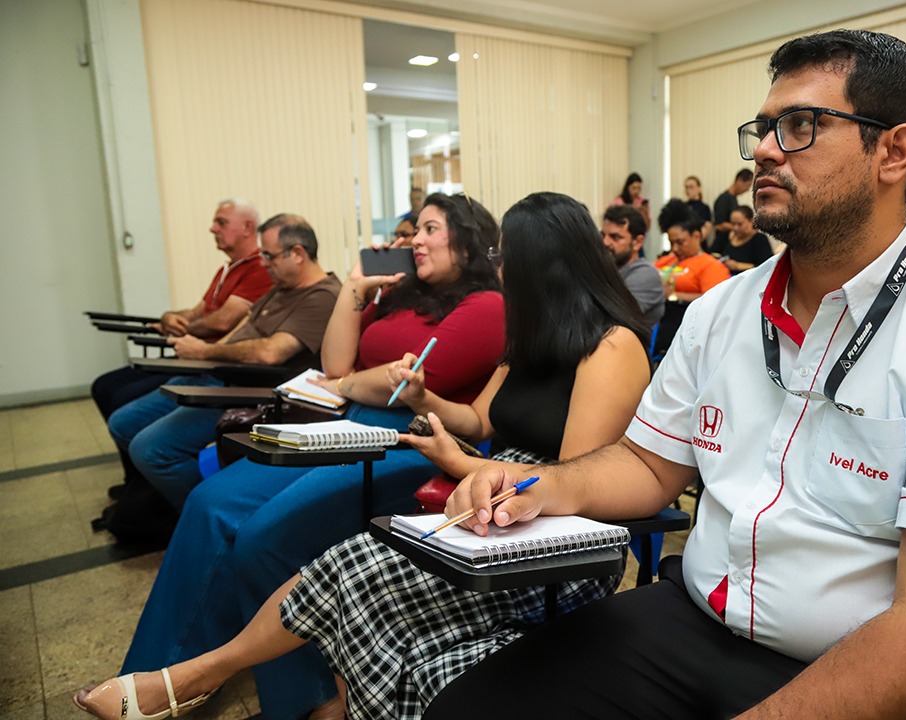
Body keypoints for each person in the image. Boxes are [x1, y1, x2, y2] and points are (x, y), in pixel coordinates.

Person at [422, 29, 906, 720]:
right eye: (763, 129)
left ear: (894, 151)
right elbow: (647, 464)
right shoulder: (721, 311)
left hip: (892, 673)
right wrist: (541, 486)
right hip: (699, 624)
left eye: (800, 126)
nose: (764, 149)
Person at [74, 191, 652, 720]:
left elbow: (571, 485)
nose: (500, 269)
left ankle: (195, 676)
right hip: (494, 500)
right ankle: (213, 679)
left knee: (351, 567)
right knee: (352, 564)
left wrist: (459, 463)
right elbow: (479, 420)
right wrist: (426, 402)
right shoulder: (530, 341)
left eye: (508, 257)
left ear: (542, 262)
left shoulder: (611, 346)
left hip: (551, 536)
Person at [106, 214, 342, 511]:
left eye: (268, 256)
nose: (263, 263)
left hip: (249, 395)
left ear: (297, 254)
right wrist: (205, 350)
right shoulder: (281, 288)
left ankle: (202, 513)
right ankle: (159, 505)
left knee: (150, 450)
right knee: (123, 423)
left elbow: (270, 353)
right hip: (221, 376)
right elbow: (237, 333)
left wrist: (205, 352)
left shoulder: (323, 296)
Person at [90, 199, 272, 420]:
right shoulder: (226, 269)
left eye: (221, 222)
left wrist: (180, 329)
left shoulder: (260, 268)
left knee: (119, 398)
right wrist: (169, 317)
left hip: (212, 364)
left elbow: (222, 322)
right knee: (103, 387)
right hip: (190, 356)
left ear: (247, 227)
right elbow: (196, 313)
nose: (212, 228)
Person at [652, 199, 730, 357]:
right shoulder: (664, 261)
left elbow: (714, 302)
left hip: (683, 330)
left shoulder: (711, 266)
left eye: (680, 242)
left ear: (697, 236)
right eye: (671, 243)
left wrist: (673, 296)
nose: (675, 248)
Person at [602, 205, 665, 327]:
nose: (605, 242)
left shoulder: (645, 275)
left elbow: (614, 317)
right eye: (603, 235)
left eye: (615, 237)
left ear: (637, 242)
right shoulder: (606, 270)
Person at [714, 205, 774, 273]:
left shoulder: (759, 239)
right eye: (733, 224)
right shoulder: (725, 236)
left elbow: (766, 267)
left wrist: (738, 266)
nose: (735, 228)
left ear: (751, 221)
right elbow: (712, 254)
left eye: (740, 224)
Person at [710, 168, 753, 249]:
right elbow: (719, 225)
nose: (747, 190)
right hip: (723, 244)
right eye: (747, 186)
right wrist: (742, 227)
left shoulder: (733, 199)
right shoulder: (724, 199)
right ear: (739, 180)